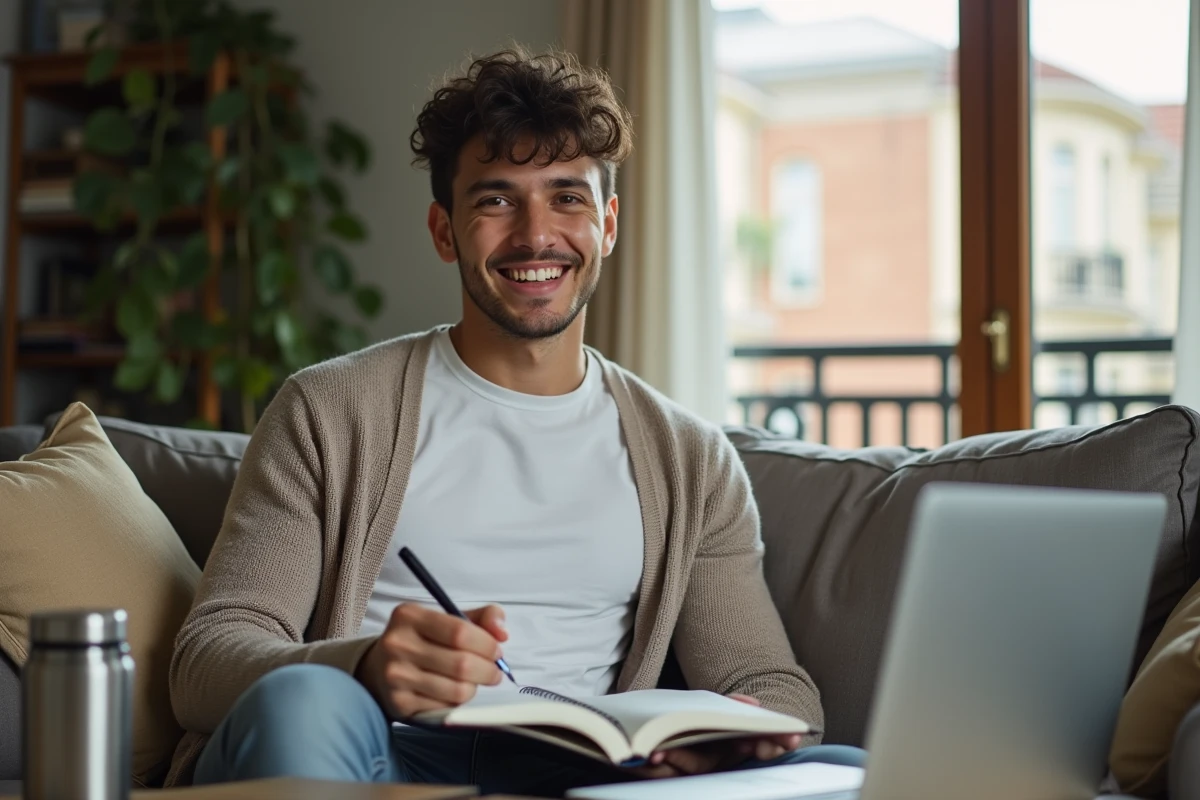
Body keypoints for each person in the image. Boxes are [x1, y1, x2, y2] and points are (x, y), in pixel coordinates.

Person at [166, 47, 866, 797]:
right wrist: (363, 664)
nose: (536, 235)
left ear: (608, 224)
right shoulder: (328, 412)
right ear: (445, 231)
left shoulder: (690, 459)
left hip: (586, 775)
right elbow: (205, 661)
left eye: (567, 197)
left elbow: (774, 688)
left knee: (854, 771)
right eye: (496, 200)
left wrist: (726, 743)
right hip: (382, 755)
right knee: (302, 701)